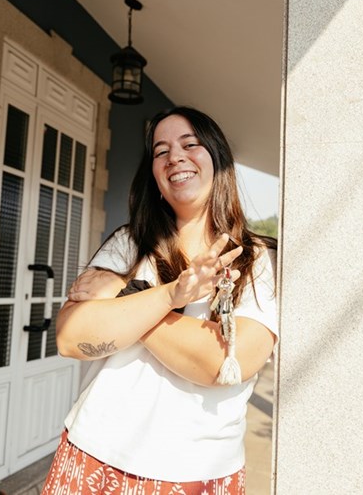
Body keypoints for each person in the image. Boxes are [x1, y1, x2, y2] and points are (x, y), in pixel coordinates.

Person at [41, 106, 278, 495]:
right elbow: (71, 337)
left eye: (190, 144)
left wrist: (124, 294)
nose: (175, 158)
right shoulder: (128, 244)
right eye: (160, 151)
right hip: (93, 455)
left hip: (195, 475)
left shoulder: (256, 260)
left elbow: (223, 363)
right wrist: (170, 295)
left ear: (218, 158)